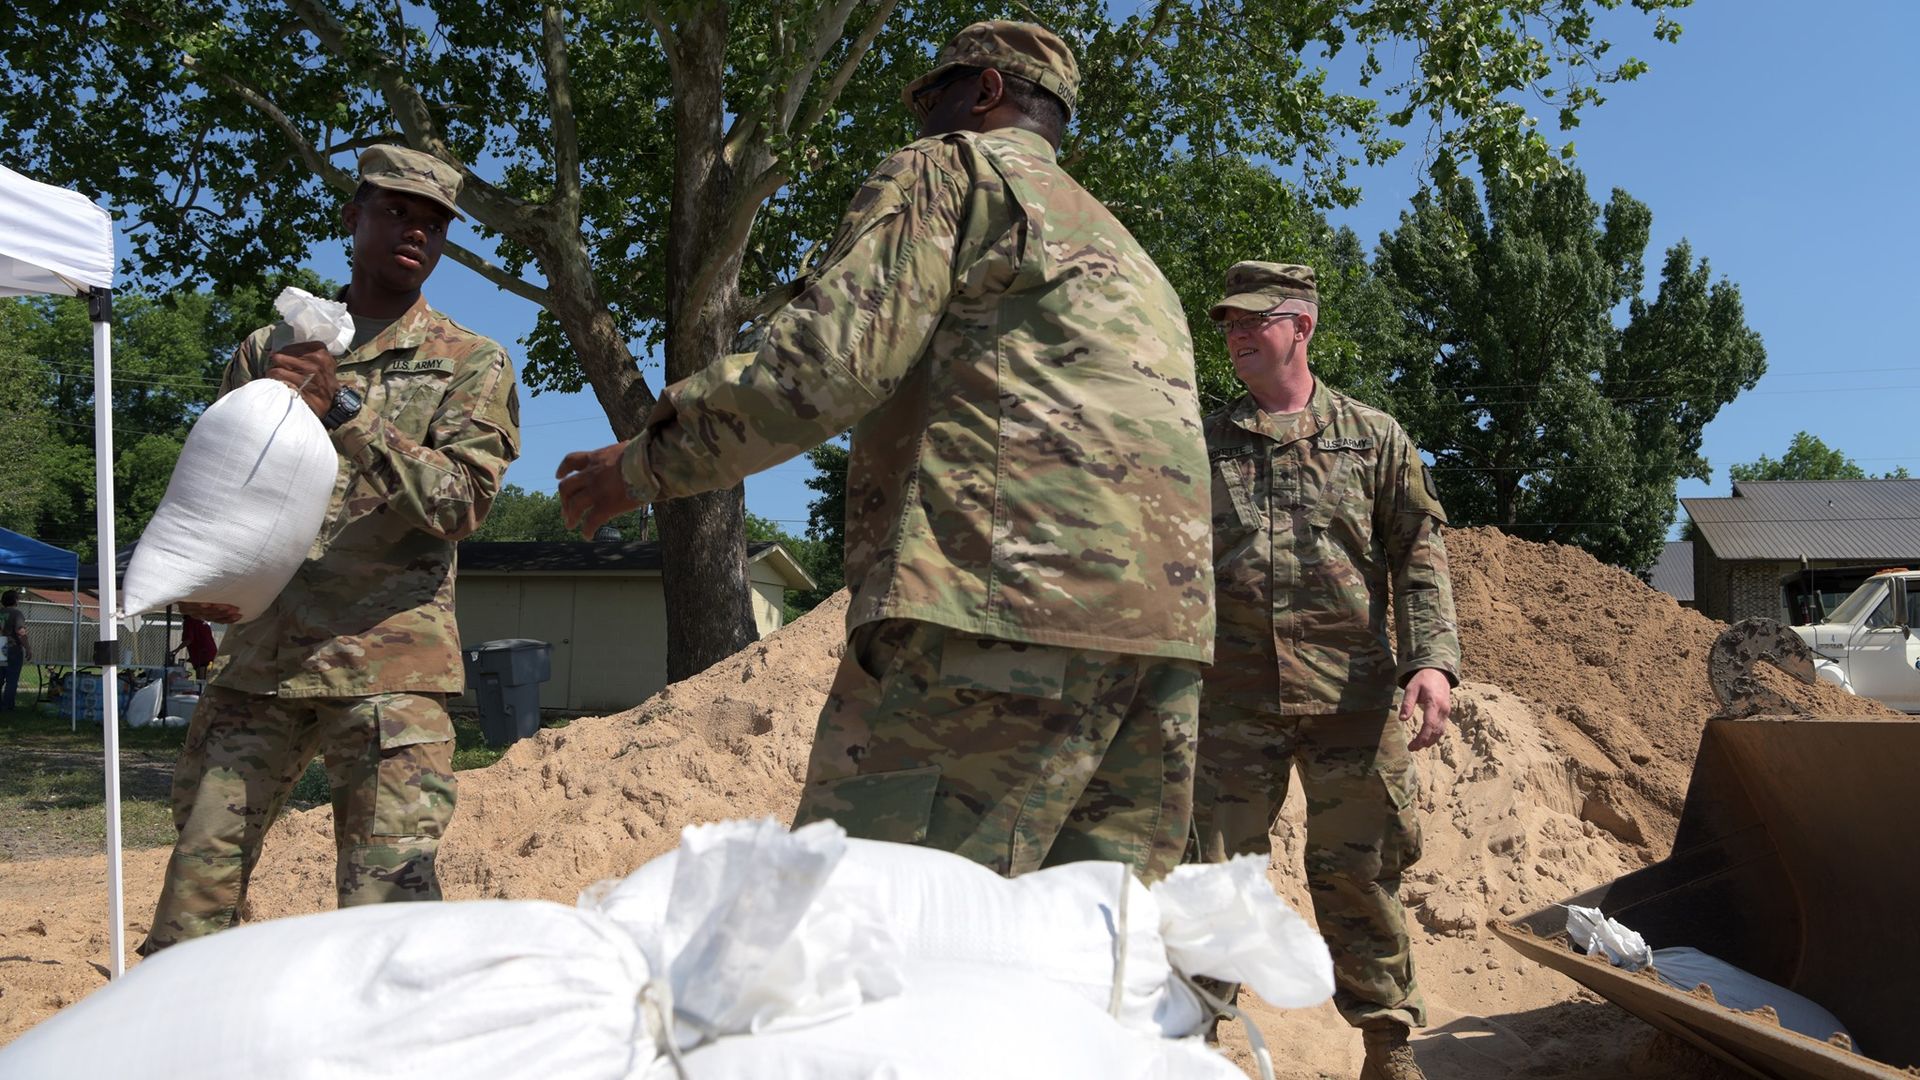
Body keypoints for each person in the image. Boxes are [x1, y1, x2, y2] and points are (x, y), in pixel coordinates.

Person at [558, 21, 1213, 881]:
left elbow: (829, 365)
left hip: (996, 614)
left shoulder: (952, 170)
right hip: (1165, 645)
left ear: (982, 91)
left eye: (930, 97)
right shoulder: (1126, 251)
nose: (918, 121)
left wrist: (641, 466)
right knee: (1108, 958)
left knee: (881, 933)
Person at [139, 145, 521, 954]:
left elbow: (463, 503)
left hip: (389, 671)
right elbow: (222, 489)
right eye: (394, 212)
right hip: (264, 660)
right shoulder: (264, 350)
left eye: (432, 222)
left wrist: (344, 405)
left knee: (391, 917)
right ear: (353, 219)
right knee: (193, 903)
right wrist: (206, 582)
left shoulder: (470, 362)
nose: (413, 231)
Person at [1190, 262, 1459, 1080]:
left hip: (1353, 696)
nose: (1235, 335)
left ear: (1300, 325)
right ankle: (1188, 1047)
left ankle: (1390, 1047)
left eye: (1252, 321)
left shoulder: (1372, 437)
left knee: (1361, 873)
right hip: (1230, 700)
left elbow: (1418, 553)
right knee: (1211, 880)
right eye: (1228, 324)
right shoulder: (1201, 438)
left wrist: (1433, 663)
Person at [1, 590, 28, 712]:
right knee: (12, 679)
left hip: (1, 645)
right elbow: (20, 632)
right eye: (18, 598)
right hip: (12, 647)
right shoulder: (16, 613)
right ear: (15, 600)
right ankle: (7, 706)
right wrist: (28, 648)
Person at [170, 614, 218, 682]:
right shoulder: (202, 622)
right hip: (212, 656)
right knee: (206, 681)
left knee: (200, 682)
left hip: (203, 658)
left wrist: (177, 649)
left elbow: (188, 640)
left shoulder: (189, 621)